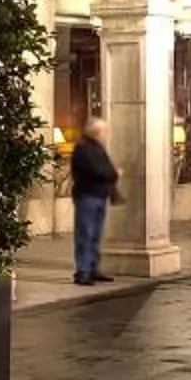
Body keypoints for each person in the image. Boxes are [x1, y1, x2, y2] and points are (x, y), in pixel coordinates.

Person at [68, 116, 119, 283]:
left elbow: (107, 168)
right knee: (86, 233)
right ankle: (83, 271)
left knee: (96, 234)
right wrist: (113, 173)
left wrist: (111, 172)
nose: (107, 135)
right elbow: (97, 170)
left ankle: (93, 268)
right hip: (87, 196)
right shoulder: (83, 148)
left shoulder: (97, 148)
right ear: (96, 132)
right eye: (105, 131)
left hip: (99, 195)